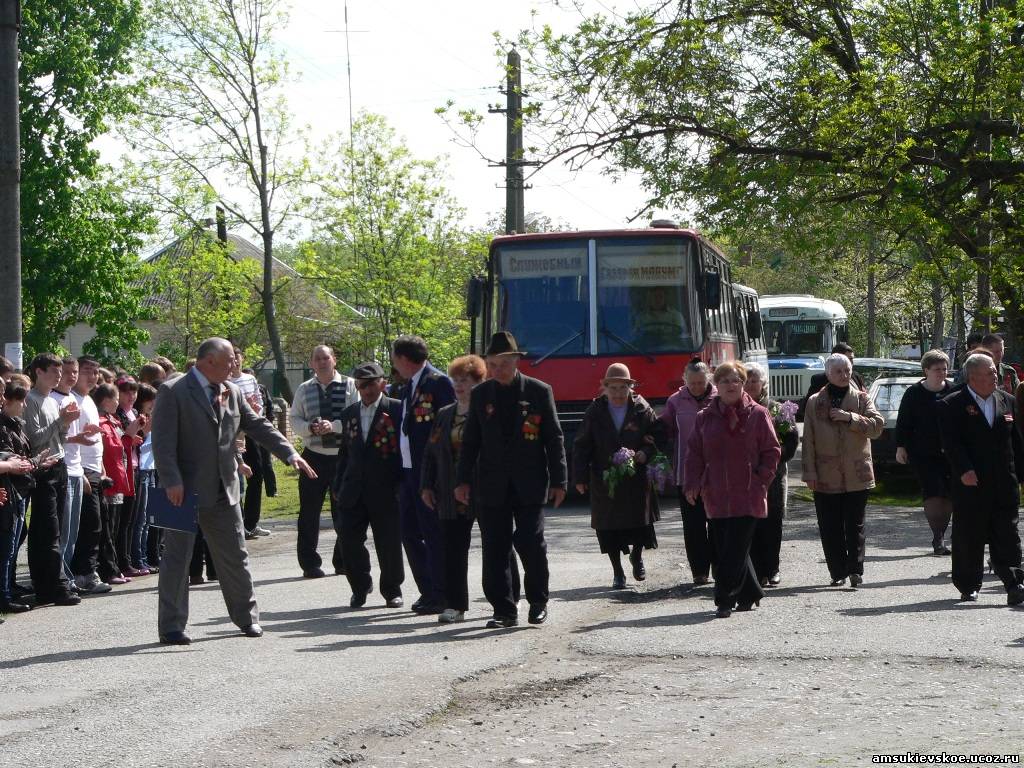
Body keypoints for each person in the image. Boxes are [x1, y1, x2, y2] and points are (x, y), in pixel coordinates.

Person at [151, 337, 318, 645]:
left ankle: (247, 619)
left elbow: (258, 425)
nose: (235, 365)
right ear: (208, 361)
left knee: (236, 556)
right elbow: (161, 441)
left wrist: (290, 453)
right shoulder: (172, 390)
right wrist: (171, 480)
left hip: (224, 488)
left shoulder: (234, 390)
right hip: (176, 491)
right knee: (175, 559)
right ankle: (171, 626)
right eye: (229, 361)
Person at [455, 331, 567, 628]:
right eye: (491, 364)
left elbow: (553, 438)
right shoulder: (481, 395)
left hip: (529, 483)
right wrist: (462, 481)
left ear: (516, 361)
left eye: (502, 364)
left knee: (530, 541)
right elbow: (470, 443)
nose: (496, 370)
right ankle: (503, 609)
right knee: (495, 547)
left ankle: (538, 600)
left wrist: (560, 481)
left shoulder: (538, 391)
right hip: (491, 484)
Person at [421, 354, 521, 623]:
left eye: (464, 380)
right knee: (452, 548)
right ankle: (455, 605)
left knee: (498, 546)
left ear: (480, 381)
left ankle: (509, 599)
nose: (458, 385)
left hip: (488, 489)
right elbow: (431, 453)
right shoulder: (444, 414)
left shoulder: (490, 411)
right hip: (451, 493)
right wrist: (426, 486)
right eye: (455, 380)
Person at [684, 361, 780, 618]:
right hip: (716, 494)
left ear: (743, 383)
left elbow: (772, 450)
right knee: (726, 547)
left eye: (736, 380)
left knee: (734, 548)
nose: (731, 385)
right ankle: (750, 592)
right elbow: (694, 454)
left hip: (748, 494)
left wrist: (762, 478)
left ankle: (724, 598)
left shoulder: (758, 414)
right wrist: (693, 483)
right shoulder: (704, 417)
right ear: (716, 385)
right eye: (725, 380)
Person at [939, 353, 1024, 604]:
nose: (996, 374)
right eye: (990, 371)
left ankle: (1014, 583)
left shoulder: (1007, 401)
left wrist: (1020, 474)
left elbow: (1016, 443)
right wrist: (963, 469)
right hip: (970, 483)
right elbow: (951, 443)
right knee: (969, 534)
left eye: (995, 371)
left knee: (1007, 534)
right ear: (973, 376)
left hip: (1004, 482)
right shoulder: (951, 404)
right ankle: (968, 585)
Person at [573, 363, 666, 589]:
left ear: (630, 387)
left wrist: (645, 452)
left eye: (623, 388)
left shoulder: (642, 409)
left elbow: (659, 436)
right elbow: (582, 445)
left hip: (636, 477)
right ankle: (618, 572)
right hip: (604, 478)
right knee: (608, 526)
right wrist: (580, 477)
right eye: (612, 388)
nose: (617, 393)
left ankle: (637, 556)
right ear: (604, 388)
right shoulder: (595, 411)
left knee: (640, 522)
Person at [801, 353, 884, 587]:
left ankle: (855, 570)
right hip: (826, 474)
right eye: (838, 371)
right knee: (830, 525)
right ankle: (837, 571)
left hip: (857, 473)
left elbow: (877, 427)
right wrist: (810, 472)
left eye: (847, 370)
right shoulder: (815, 401)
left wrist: (851, 418)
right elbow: (808, 440)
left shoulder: (861, 399)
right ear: (828, 374)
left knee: (855, 524)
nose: (844, 375)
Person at [332, 362, 405, 609]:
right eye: (361, 384)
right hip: (353, 489)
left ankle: (392, 590)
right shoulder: (349, 413)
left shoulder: (396, 410)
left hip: (386, 489)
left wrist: (402, 485)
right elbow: (345, 452)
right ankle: (360, 587)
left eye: (372, 383)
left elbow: (404, 452)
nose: (367, 389)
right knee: (349, 540)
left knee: (388, 542)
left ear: (382, 383)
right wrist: (338, 484)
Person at [392, 334, 456, 615]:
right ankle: (427, 590)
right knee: (408, 532)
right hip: (408, 473)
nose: (394, 364)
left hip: (430, 473)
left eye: (395, 358)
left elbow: (449, 424)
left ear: (405, 359)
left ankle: (441, 593)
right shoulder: (408, 387)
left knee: (433, 534)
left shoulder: (438, 382)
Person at [289, 344, 358, 578]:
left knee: (344, 511)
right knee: (309, 513)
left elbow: (357, 416)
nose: (321, 362)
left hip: (343, 457)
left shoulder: (350, 385)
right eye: (316, 358)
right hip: (313, 459)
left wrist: (334, 426)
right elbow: (294, 418)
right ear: (311, 363)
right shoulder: (303, 389)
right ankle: (310, 564)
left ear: (334, 360)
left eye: (325, 358)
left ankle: (343, 560)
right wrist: (309, 428)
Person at [23, 353, 81, 606]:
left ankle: (50, 584)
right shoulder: (31, 400)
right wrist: (61, 421)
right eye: (54, 372)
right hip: (43, 469)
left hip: (59, 464)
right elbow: (34, 439)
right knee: (48, 529)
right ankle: (54, 585)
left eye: (60, 372)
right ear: (39, 371)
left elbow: (60, 438)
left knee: (56, 528)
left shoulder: (51, 400)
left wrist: (66, 423)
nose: (59, 376)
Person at [660, 358, 717, 584]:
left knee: (716, 524)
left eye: (701, 383)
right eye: (692, 383)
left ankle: (719, 566)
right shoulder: (675, 401)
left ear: (708, 379)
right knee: (693, 526)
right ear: (685, 381)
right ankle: (699, 571)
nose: (696, 387)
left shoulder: (719, 398)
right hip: (686, 474)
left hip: (715, 474)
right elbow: (667, 431)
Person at [744, 362, 799, 587]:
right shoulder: (737, 408)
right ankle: (758, 571)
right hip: (746, 477)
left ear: (764, 383)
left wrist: (773, 459)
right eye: (745, 381)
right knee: (751, 524)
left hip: (773, 476)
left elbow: (791, 440)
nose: (749, 385)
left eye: (754, 381)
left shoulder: (777, 410)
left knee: (772, 522)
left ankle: (772, 567)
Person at [895, 349, 954, 555]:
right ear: (926, 370)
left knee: (947, 494)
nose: (941, 373)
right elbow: (904, 422)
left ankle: (943, 533)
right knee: (933, 492)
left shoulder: (954, 390)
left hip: (950, 452)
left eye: (944, 369)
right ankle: (937, 537)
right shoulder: (914, 393)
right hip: (922, 452)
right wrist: (900, 446)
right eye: (937, 369)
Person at [0, 382, 48, 612]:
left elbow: (20, 459)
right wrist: (34, 462)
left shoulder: (16, 425)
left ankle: (7, 589)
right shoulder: (3, 427)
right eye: (21, 400)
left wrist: (36, 462)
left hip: (18, 489)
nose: (24, 405)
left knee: (12, 544)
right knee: (7, 546)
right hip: (10, 490)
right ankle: (4, 595)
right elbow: (13, 460)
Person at [68, 357, 113, 595]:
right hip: (81, 471)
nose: (92, 376)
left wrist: (102, 469)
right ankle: (83, 573)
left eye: (96, 372)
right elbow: (72, 440)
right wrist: (84, 472)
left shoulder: (89, 401)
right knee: (88, 525)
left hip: (95, 470)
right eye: (87, 371)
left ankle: (87, 572)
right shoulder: (71, 400)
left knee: (96, 525)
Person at [130, 383, 159, 574]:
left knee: (150, 519)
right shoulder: (137, 418)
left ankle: (146, 556)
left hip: (151, 468)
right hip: (141, 469)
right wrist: (147, 431)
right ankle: (137, 558)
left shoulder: (149, 417)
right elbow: (138, 446)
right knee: (139, 520)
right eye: (151, 401)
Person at [800, 343, 866, 419]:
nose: (851, 363)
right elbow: (807, 410)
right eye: (848, 359)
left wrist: (850, 417)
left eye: (852, 359)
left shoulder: (856, 377)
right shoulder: (820, 380)